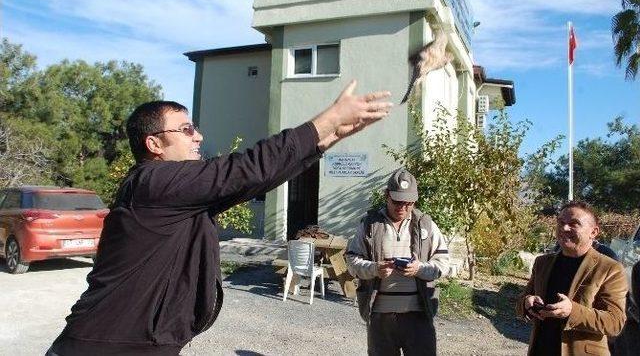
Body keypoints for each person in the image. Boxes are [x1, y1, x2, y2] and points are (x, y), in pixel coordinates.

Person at [47, 80, 392, 356]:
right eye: (185, 130)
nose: (198, 136)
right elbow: (246, 168)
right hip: (103, 345)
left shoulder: (177, 197)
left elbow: (259, 177)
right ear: (154, 144)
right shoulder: (152, 182)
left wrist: (329, 138)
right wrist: (329, 117)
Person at [345, 169, 449, 356]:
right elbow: (351, 261)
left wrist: (419, 269)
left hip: (419, 318)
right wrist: (374, 269)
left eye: (408, 203)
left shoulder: (425, 224)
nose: (402, 207)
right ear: (387, 196)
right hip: (380, 320)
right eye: (397, 202)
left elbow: (443, 264)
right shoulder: (370, 224)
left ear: (414, 201)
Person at [516, 201, 628, 356]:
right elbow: (522, 300)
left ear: (593, 232)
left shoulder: (610, 269)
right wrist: (526, 303)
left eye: (573, 224)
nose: (564, 228)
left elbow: (615, 322)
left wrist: (572, 311)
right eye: (560, 223)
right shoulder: (542, 262)